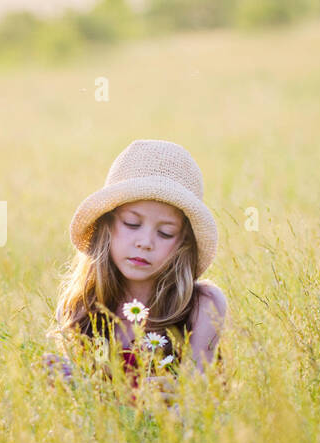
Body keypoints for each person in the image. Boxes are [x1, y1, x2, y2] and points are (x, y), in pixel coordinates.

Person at [41, 139, 228, 407]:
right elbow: (85, 416)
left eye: (165, 232)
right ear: (106, 225)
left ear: (184, 242)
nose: (145, 242)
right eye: (132, 224)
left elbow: (195, 403)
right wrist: (70, 383)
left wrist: (172, 394)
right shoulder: (81, 309)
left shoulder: (203, 305)